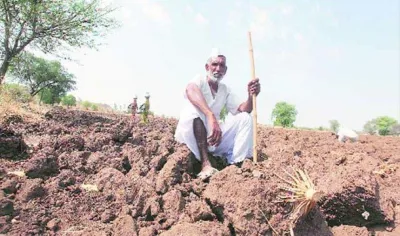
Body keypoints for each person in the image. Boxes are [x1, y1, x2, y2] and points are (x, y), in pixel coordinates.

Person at [174, 48, 261, 180]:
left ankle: (237, 163)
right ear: (207, 67)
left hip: (214, 137)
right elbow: (190, 90)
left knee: (245, 118)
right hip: (193, 136)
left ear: (225, 70)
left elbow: (244, 109)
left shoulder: (224, 90)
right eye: (214, 64)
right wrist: (210, 115)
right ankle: (205, 163)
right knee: (192, 110)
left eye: (221, 66)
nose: (218, 69)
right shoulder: (199, 80)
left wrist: (251, 96)